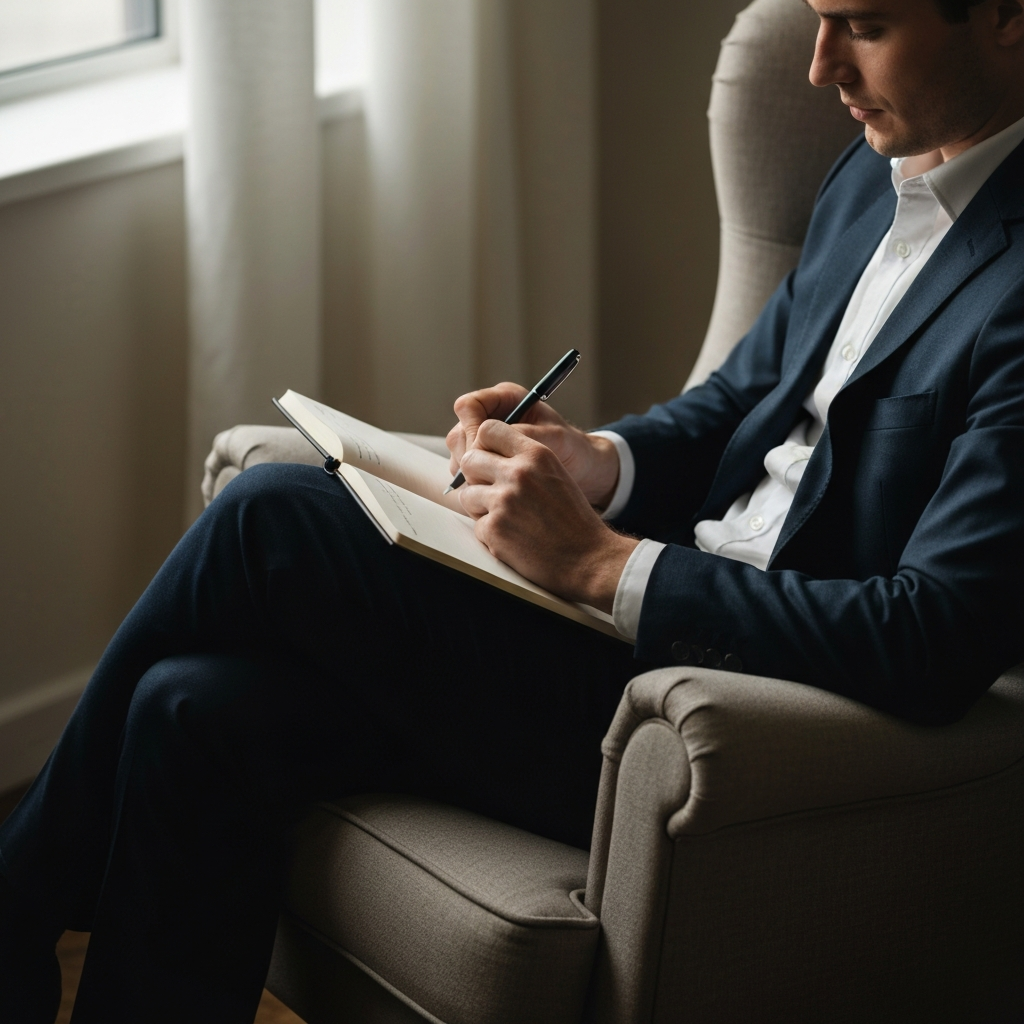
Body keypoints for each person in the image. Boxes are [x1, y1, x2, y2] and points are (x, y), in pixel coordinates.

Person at [3, 0, 1024, 1019]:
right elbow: (737, 404)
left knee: (272, 514)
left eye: (863, 26)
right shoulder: (874, 175)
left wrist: (600, 564)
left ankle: (14, 911)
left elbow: (932, 631)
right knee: (189, 703)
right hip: (631, 627)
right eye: (816, 18)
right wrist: (597, 462)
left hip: (742, 711)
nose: (819, 65)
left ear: (1006, 17)